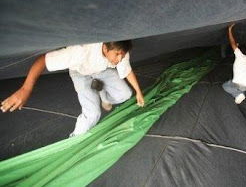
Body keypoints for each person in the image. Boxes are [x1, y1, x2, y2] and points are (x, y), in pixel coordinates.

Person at [1, 40, 145, 137]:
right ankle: (74, 139)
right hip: (80, 74)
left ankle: (103, 95)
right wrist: (25, 90)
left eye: (122, 55)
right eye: (117, 55)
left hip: (102, 70)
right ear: (105, 47)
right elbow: (43, 60)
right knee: (93, 114)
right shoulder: (80, 51)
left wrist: (138, 92)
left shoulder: (119, 50)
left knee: (126, 94)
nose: (119, 59)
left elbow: (126, 70)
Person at [222, 23, 246, 104]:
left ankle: (238, 94)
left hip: (242, 84)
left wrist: (229, 30)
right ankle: (240, 93)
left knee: (225, 86)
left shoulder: (239, 55)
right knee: (233, 83)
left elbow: (232, 42)